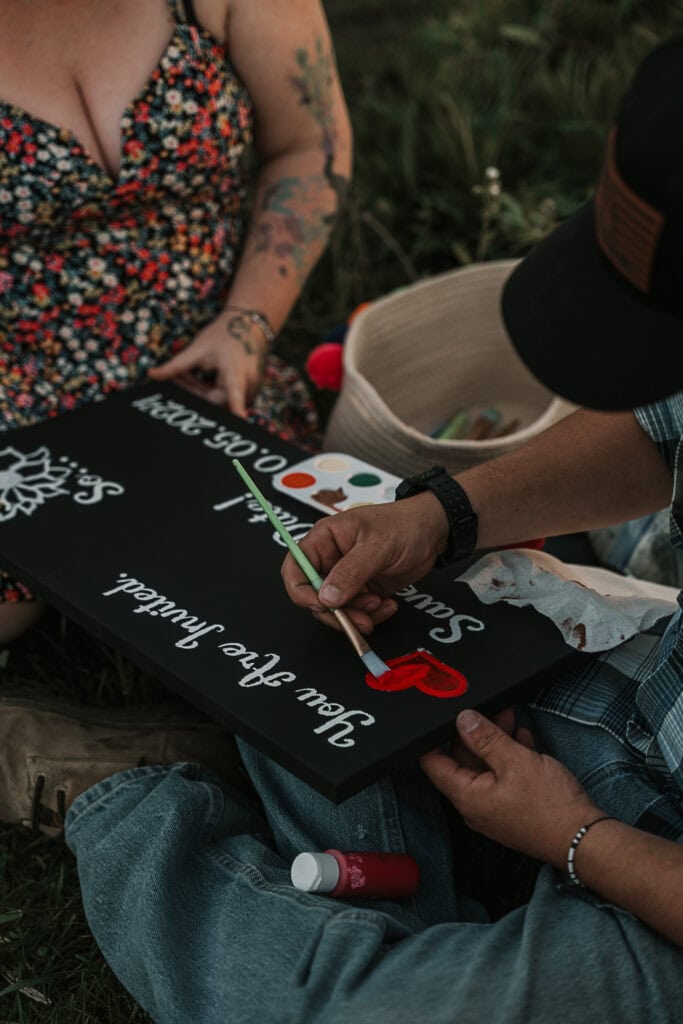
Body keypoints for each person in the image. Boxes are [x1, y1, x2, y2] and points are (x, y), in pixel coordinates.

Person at [3, 34, 683, 1024]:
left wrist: (576, 839)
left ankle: (139, 807)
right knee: (342, 649)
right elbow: (655, 437)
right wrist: (439, 516)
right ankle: (337, 824)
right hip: (646, 699)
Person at [0, 0, 352, 643]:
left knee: (289, 586)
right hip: (19, 376)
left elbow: (308, 147)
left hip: (207, 367)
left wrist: (248, 324)